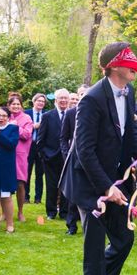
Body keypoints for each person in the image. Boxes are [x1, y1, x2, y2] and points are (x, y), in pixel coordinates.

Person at [59, 42, 137, 275]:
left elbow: (131, 139)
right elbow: (84, 151)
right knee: (94, 251)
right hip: (90, 186)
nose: (133, 68)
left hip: (115, 182)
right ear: (114, 66)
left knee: (124, 240)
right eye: (128, 63)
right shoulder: (92, 99)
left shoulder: (127, 97)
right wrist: (106, 187)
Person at [59, 85, 89, 235]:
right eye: (81, 94)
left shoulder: (94, 113)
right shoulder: (70, 114)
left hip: (89, 160)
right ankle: (71, 225)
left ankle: (88, 225)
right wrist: (66, 155)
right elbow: (63, 138)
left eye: (86, 94)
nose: (83, 96)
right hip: (73, 158)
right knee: (73, 193)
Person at [37, 88, 70, 220]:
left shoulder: (73, 115)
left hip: (67, 157)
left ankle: (64, 212)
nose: (63, 100)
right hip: (50, 157)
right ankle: (51, 212)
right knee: (51, 185)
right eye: (60, 98)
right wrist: (44, 155)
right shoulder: (47, 116)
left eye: (65, 98)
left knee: (66, 185)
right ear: (56, 100)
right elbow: (40, 139)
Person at [8, 93, 33, 222]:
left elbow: (27, 135)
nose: (16, 106)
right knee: (5, 184)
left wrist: (15, 126)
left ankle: (20, 211)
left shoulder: (27, 118)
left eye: (18, 104)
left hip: (20, 155)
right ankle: (6, 212)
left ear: (21, 106)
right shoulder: (5, 116)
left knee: (20, 184)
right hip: (6, 153)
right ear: (9, 106)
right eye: (13, 104)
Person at [25, 93, 47, 204]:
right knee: (27, 172)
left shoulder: (46, 114)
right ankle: (26, 197)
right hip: (29, 145)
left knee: (40, 173)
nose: (41, 103)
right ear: (34, 102)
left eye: (43, 102)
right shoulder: (27, 113)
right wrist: (34, 125)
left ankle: (38, 198)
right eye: (39, 101)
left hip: (41, 146)